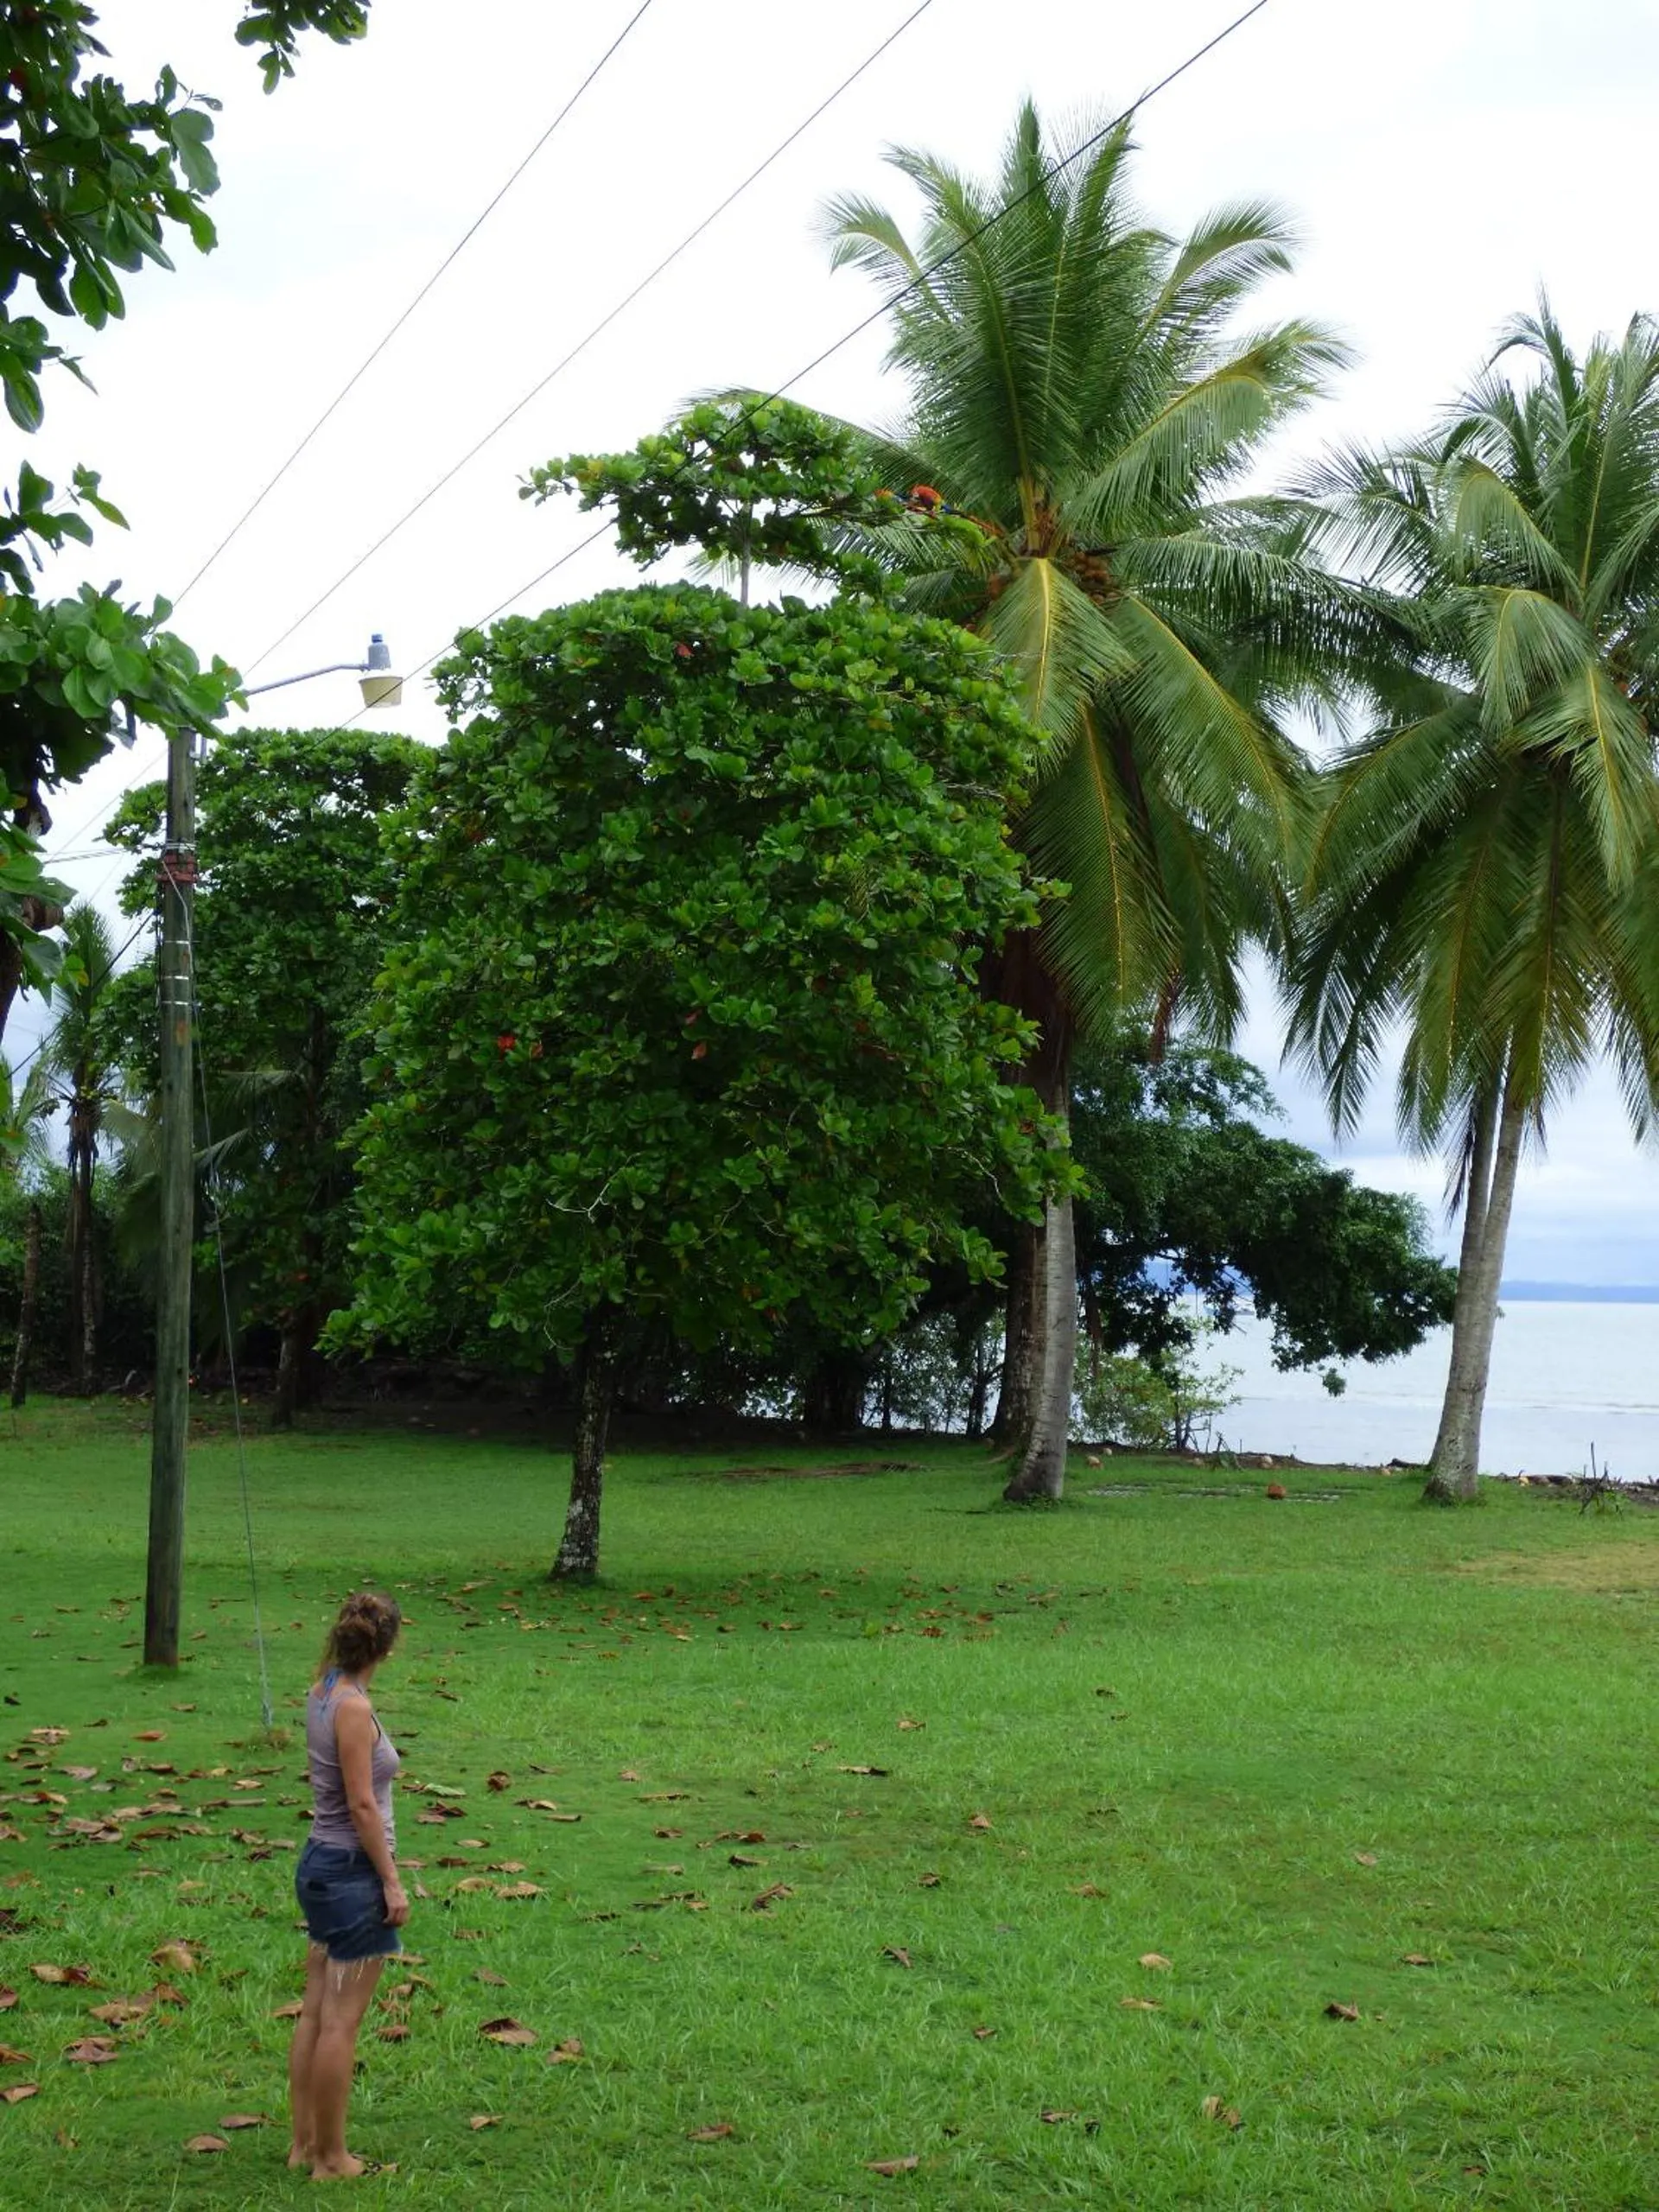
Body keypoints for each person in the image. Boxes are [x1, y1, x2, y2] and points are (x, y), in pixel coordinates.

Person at [287, 1591, 409, 2180]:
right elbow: (362, 1803)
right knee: (340, 2019)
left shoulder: (322, 1692)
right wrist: (392, 1882)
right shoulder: (354, 1708)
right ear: (388, 1645)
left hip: (319, 1866)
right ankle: (331, 2159)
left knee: (315, 2011)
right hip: (350, 1873)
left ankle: (304, 2144)